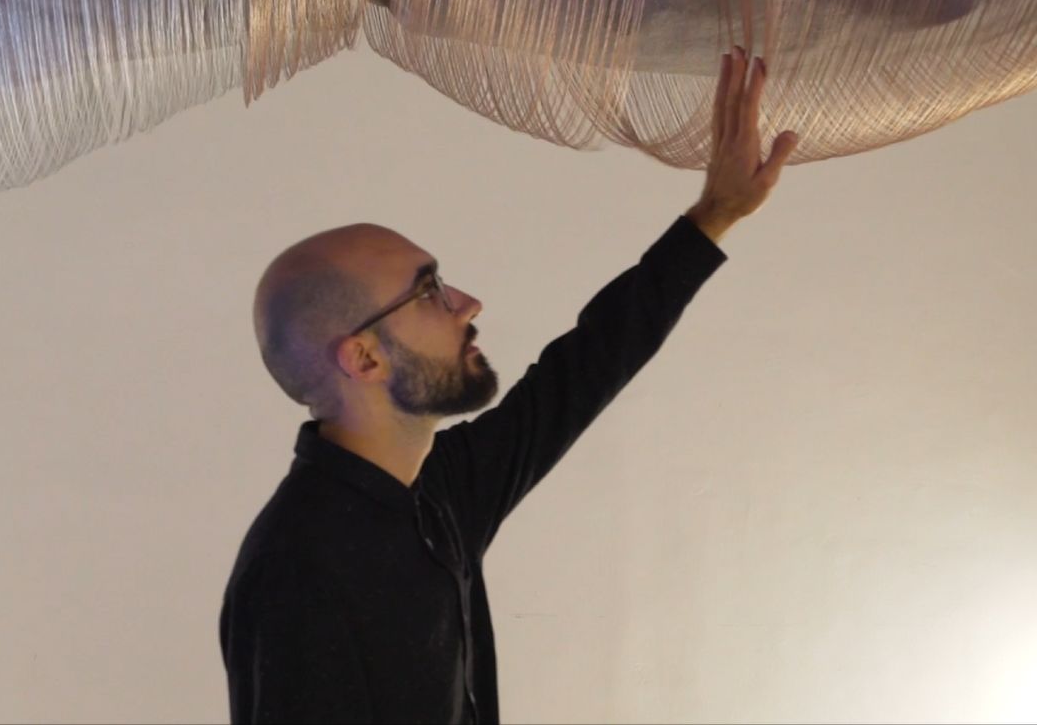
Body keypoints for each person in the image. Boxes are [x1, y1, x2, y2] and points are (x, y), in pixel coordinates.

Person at [219, 46, 798, 723]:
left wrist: (714, 216)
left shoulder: (435, 490)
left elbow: (584, 370)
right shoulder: (299, 570)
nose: (468, 303)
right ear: (365, 359)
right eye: (429, 291)